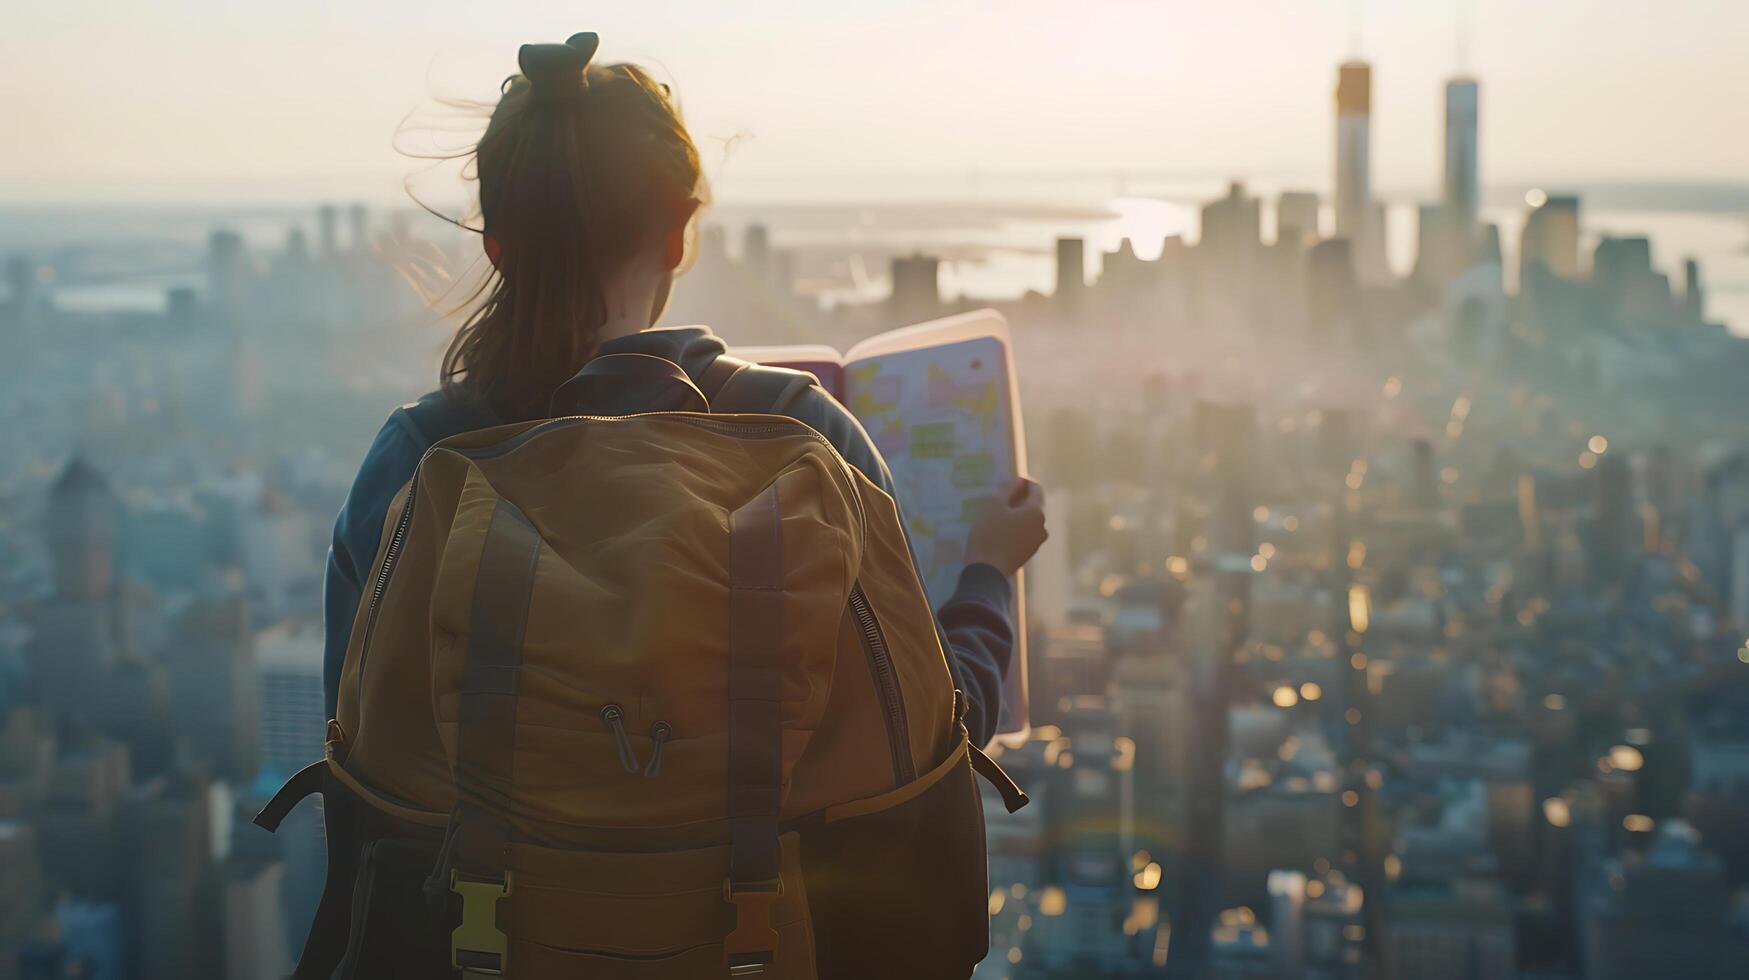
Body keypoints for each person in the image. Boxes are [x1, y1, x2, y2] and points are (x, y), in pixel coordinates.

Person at [322, 41, 1047, 751]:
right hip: (770, 876)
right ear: (675, 231)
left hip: (469, 877)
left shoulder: (417, 460)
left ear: (496, 247)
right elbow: (940, 735)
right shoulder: (798, 432)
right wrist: (986, 574)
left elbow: (355, 754)